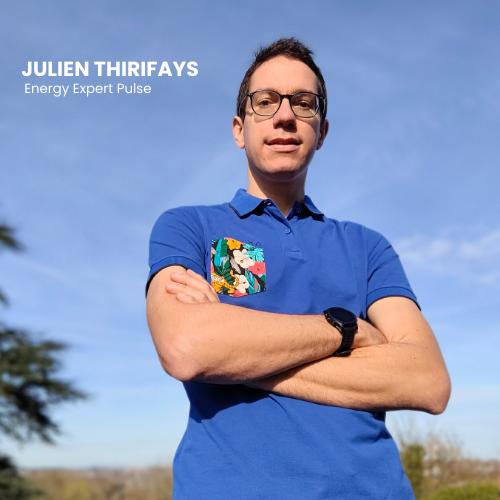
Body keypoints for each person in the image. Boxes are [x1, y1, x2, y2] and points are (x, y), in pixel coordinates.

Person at [146, 38, 451, 499]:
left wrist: (233, 356)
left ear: (321, 132)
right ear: (239, 128)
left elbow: (427, 381)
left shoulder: (367, 247)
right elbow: (186, 347)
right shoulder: (189, 227)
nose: (285, 115)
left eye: (304, 103)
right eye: (266, 101)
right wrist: (345, 331)